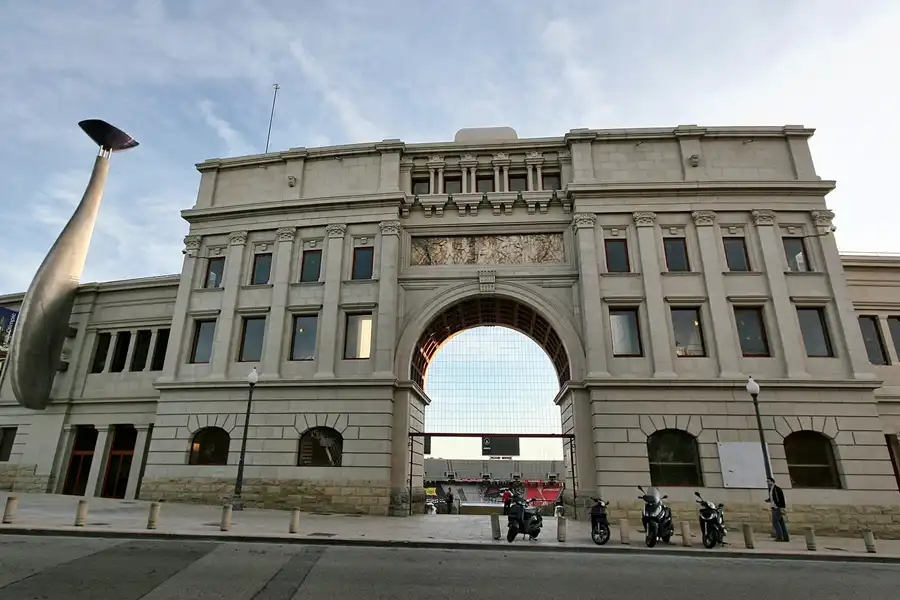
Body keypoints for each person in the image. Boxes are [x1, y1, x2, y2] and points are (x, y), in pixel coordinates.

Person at [766, 477, 789, 542]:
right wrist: (769, 500)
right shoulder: (772, 489)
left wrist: (779, 507)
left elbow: (778, 498)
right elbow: (774, 498)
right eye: (767, 482)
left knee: (775, 522)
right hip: (776, 507)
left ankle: (780, 537)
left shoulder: (776, 489)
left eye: (768, 481)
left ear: (772, 482)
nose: (767, 483)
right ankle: (785, 537)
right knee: (781, 522)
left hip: (777, 508)